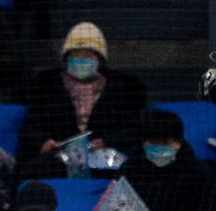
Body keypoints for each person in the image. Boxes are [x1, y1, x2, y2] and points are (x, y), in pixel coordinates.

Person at [19, 22, 148, 167]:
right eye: (76, 53)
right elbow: (30, 127)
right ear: (66, 58)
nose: (81, 58)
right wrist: (43, 142)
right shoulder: (45, 85)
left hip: (106, 157)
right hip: (57, 158)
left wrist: (108, 141)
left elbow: (133, 128)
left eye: (88, 54)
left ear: (99, 59)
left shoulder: (124, 88)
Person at [120, 109, 216, 211]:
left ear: (179, 143)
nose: (159, 148)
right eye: (153, 142)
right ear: (143, 143)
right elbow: (116, 209)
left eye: (165, 143)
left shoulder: (198, 171)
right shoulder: (129, 169)